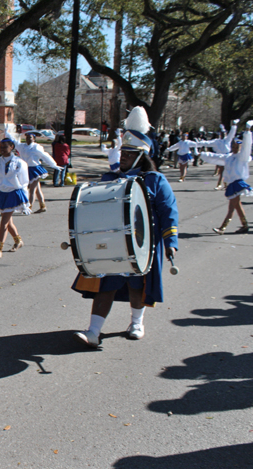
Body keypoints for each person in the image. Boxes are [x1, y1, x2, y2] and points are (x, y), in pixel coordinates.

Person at [72, 107, 179, 348]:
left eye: (129, 154)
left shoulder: (155, 180)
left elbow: (168, 212)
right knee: (106, 284)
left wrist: (170, 242)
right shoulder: (110, 179)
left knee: (137, 284)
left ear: (141, 156)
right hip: (113, 243)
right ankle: (93, 331)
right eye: (123, 153)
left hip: (144, 243)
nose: (123, 157)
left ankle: (136, 324)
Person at [200, 120, 253, 234]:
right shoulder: (229, 157)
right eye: (233, 146)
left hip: (237, 183)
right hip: (231, 184)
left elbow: (247, 146)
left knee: (234, 206)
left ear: (240, 148)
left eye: (237, 147)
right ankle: (242, 225)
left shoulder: (242, 157)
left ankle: (224, 228)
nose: (235, 148)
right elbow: (216, 157)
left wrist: (247, 131)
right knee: (235, 206)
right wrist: (202, 154)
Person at [15, 132, 61, 213]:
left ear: (34, 139)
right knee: (37, 189)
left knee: (32, 189)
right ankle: (42, 206)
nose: (28, 139)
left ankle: (29, 207)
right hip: (26, 169)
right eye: (27, 137)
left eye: (30, 137)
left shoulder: (36, 147)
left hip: (35, 169)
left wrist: (53, 165)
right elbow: (13, 141)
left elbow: (45, 156)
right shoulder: (22, 146)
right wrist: (7, 133)